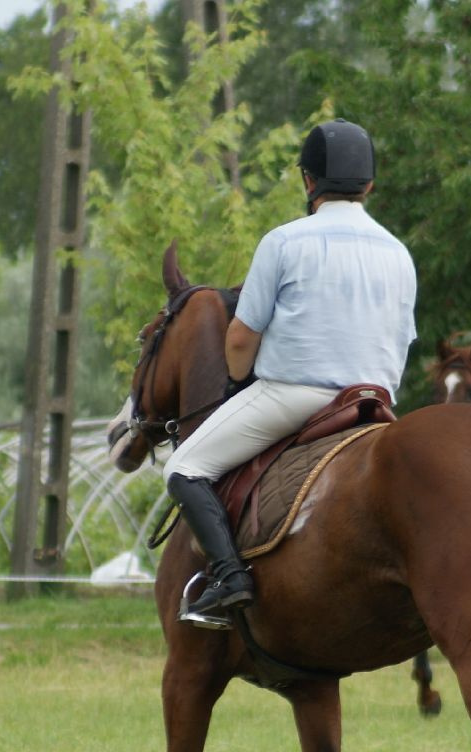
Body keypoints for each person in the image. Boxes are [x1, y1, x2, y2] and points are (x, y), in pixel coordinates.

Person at [163, 118, 418, 621]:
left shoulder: (284, 241)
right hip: (375, 401)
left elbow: (240, 338)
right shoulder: (399, 252)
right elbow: (403, 339)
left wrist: (238, 380)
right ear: (369, 186)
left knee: (183, 468)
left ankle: (230, 578)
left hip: (296, 396)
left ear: (308, 182)